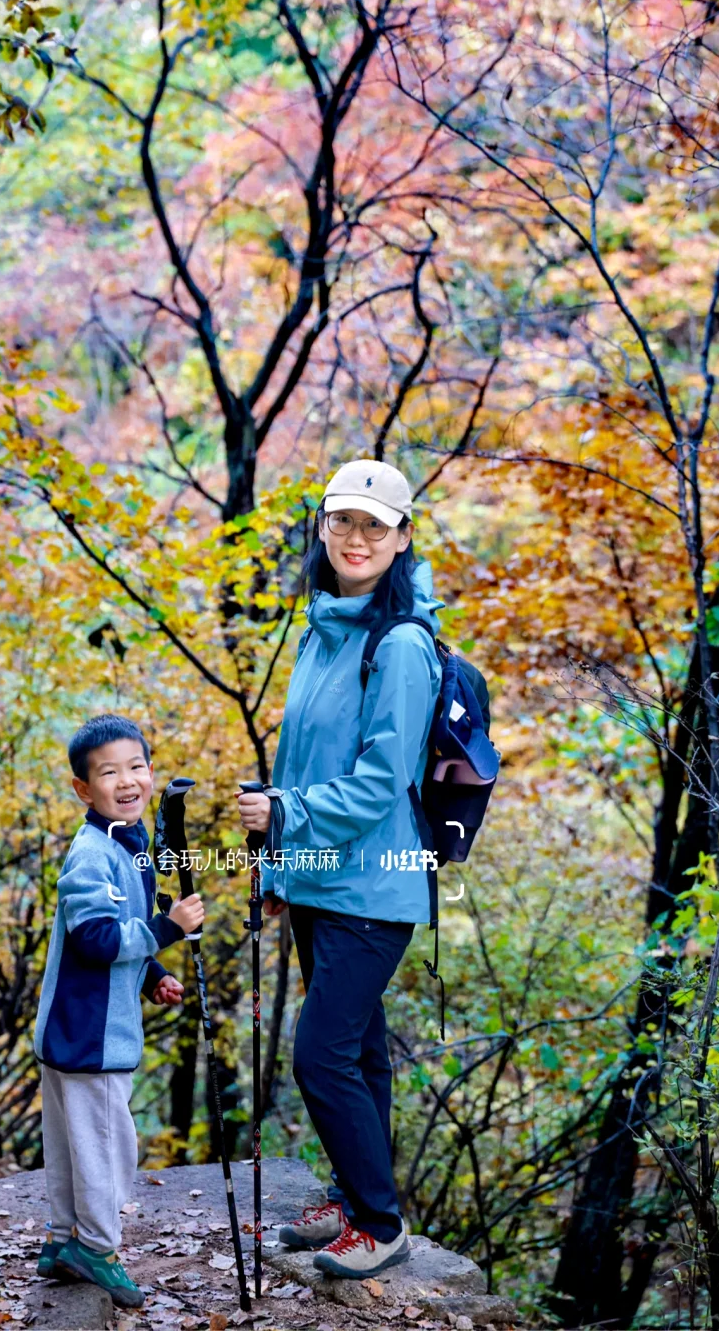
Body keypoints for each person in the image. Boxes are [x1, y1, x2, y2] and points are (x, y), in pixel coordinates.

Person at [236, 459, 443, 1280]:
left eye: (374, 525)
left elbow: (379, 783)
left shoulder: (401, 646)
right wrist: (279, 871)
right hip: (321, 879)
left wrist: (286, 818)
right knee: (356, 1051)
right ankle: (354, 1201)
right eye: (342, 521)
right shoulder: (323, 631)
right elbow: (297, 762)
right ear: (322, 528)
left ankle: (381, 1226)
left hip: (375, 884)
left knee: (320, 1055)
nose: (356, 538)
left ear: (402, 537)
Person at [33, 713, 204, 1308]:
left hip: (70, 1031)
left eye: (136, 767)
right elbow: (96, 939)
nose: (127, 780)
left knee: (71, 1145)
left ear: (151, 772)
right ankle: (98, 1249)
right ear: (83, 789)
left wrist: (151, 974)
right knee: (107, 1148)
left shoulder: (130, 844)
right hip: (92, 1037)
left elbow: (117, 932)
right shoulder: (93, 854)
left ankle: (62, 1241)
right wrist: (166, 929)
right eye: (109, 773)